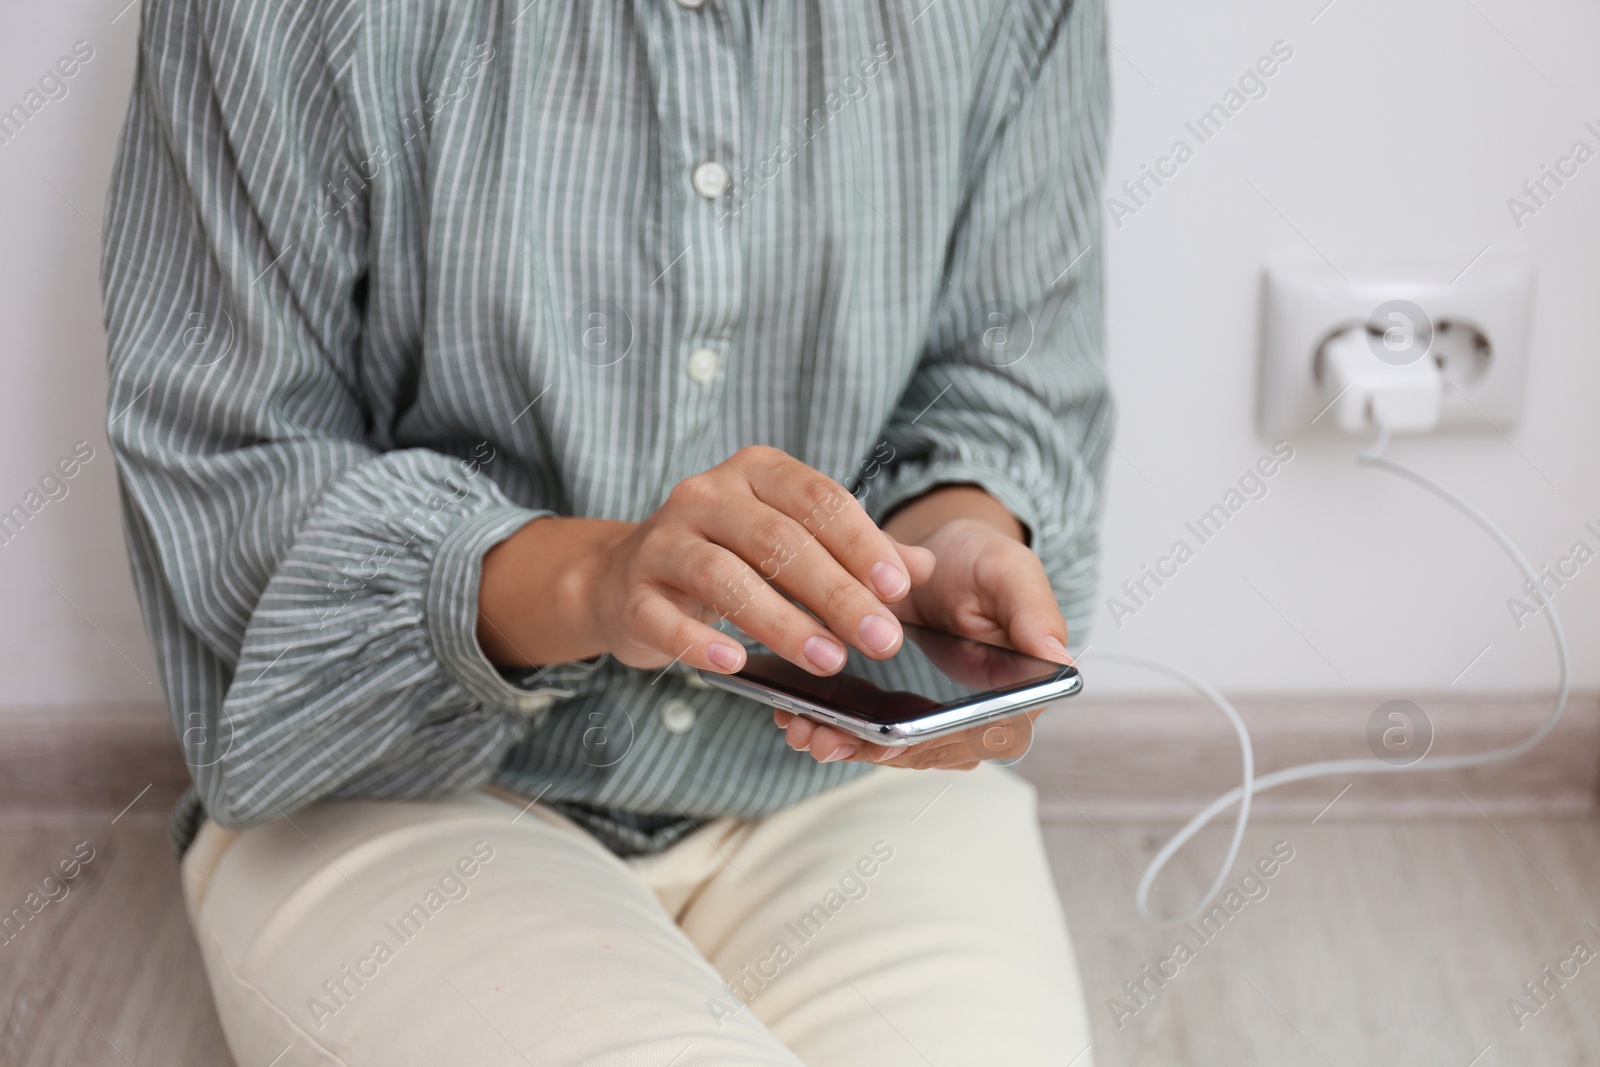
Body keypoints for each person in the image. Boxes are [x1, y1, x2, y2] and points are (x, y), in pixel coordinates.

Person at [101, 0, 1110, 1062]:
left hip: (841, 778)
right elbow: (227, 473)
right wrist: (596, 579)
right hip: (397, 782)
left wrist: (949, 537)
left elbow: (1006, 382)